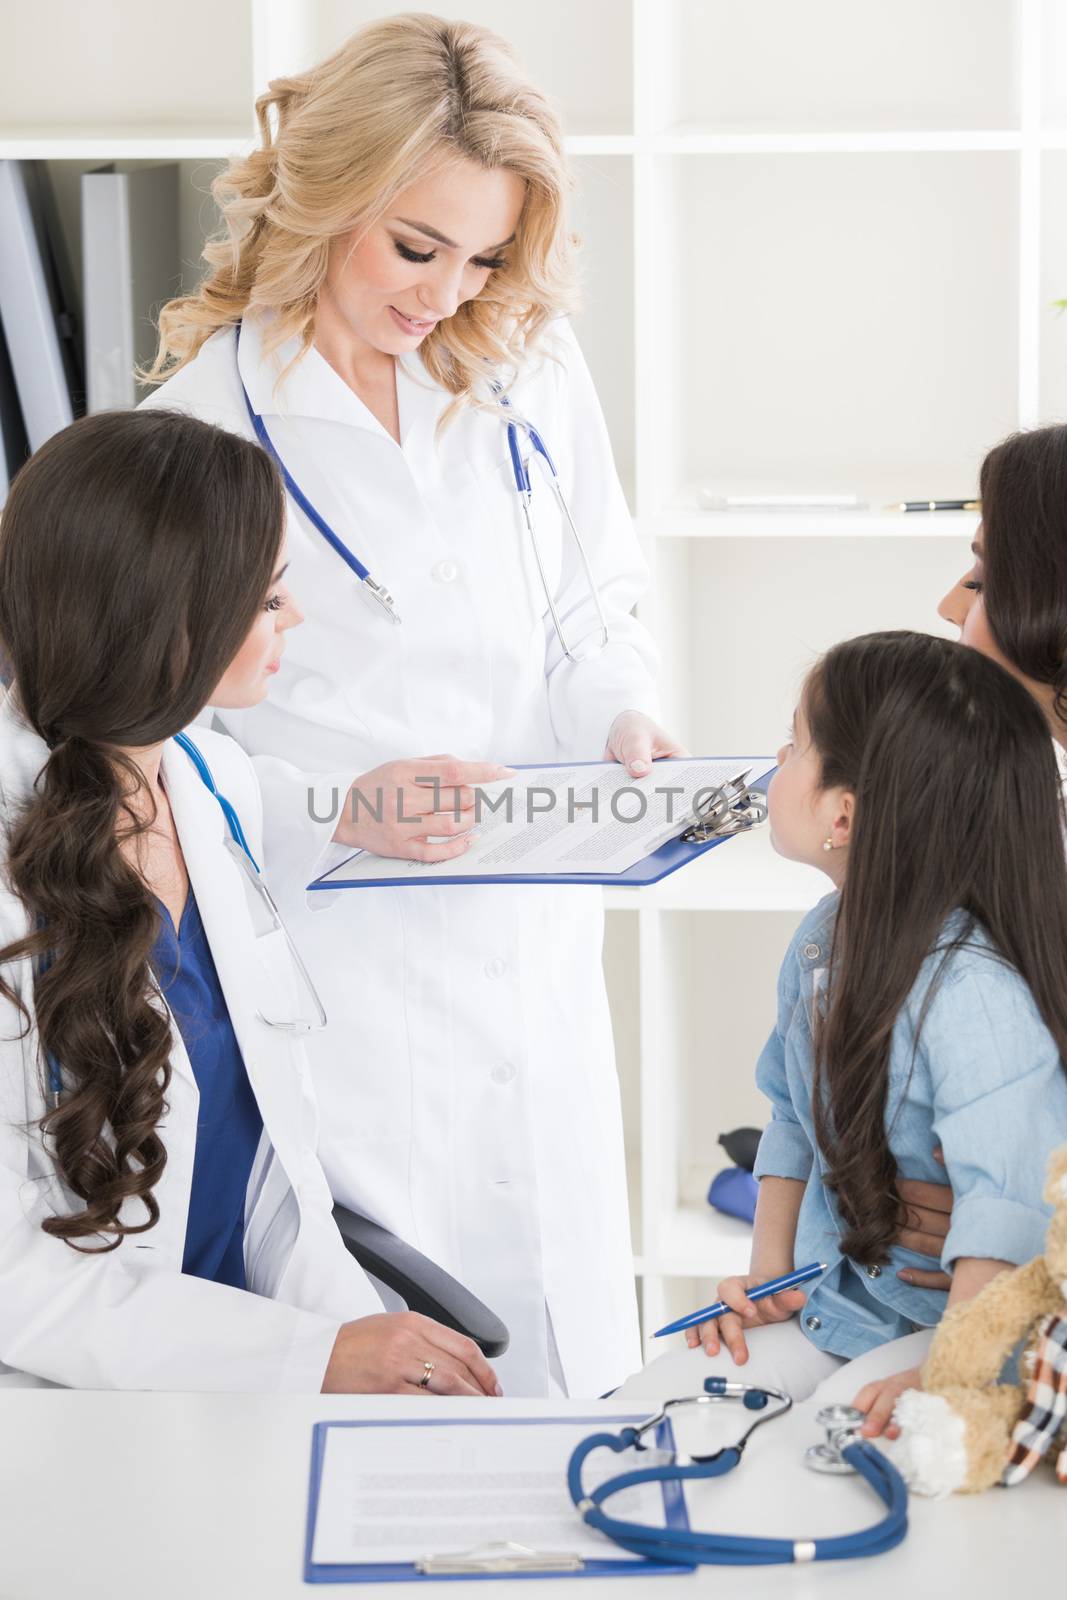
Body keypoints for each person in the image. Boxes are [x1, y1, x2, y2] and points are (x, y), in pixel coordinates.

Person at [139, 14, 682, 1396]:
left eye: (486, 254)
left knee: (570, 1388)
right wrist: (345, 809)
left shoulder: (528, 372)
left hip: (532, 941)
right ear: (324, 199)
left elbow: (590, 607)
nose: (447, 291)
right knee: (398, 1385)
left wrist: (622, 717)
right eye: (414, 246)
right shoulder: (207, 427)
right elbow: (168, 747)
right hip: (346, 978)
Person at [0, 409, 499, 1398]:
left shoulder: (203, 780)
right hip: (78, 1410)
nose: (295, 618)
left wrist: (362, 1341)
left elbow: (272, 1159)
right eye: (270, 597)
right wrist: (312, 1358)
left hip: (250, 1371)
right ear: (170, 627)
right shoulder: (18, 878)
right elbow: (16, 1284)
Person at [617, 630, 1067, 1433]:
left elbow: (1006, 1212)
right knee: (653, 1402)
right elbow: (788, 1117)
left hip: (943, 1326)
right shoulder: (824, 939)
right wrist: (768, 1286)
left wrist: (949, 1377)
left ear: (844, 814)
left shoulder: (972, 996)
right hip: (837, 1306)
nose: (774, 762)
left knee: (830, 1437)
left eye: (792, 746)